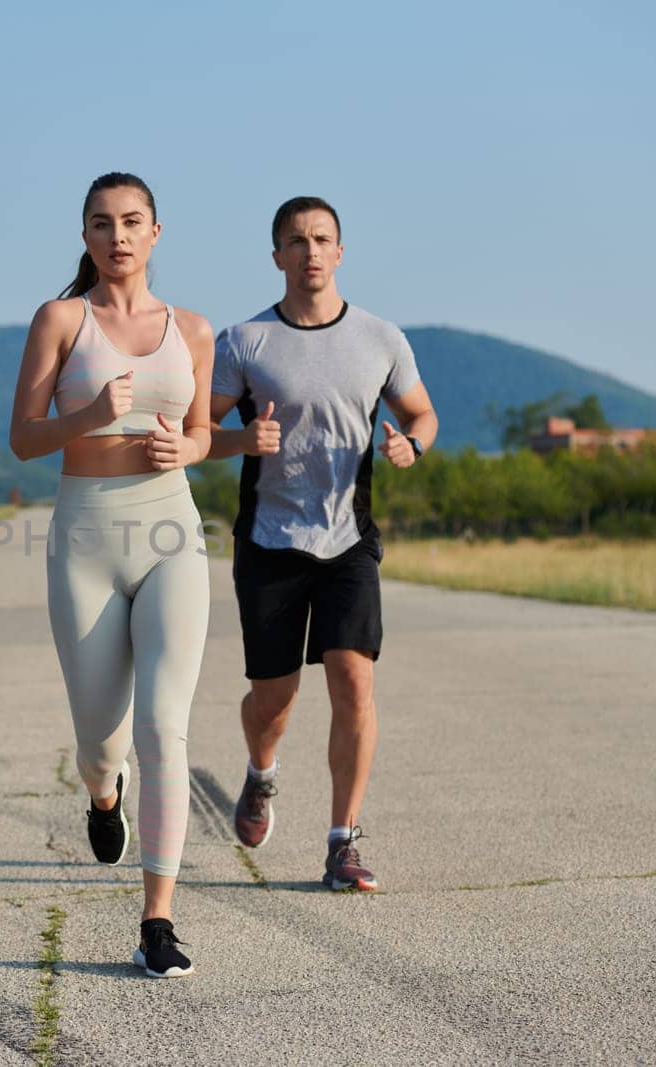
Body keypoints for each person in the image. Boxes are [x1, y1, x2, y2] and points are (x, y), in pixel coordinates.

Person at [10, 172, 214, 978]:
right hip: (87, 535)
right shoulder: (62, 319)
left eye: (132, 222)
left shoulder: (193, 329)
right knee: (102, 737)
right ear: (86, 235)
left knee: (165, 727)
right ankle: (104, 794)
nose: (118, 235)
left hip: (173, 532)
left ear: (156, 232)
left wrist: (188, 450)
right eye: (102, 223)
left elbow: (202, 432)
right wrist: (88, 418)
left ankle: (157, 919)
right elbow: (24, 438)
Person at [207, 196, 439, 891]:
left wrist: (412, 447)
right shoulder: (244, 342)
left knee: (354, 680)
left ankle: (343, 841)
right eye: (297, 241)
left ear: (340, 252)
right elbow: (196, 432)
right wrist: (242, 440)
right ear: (276, 255)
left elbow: (421, 413)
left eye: (323, 240)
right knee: (273, 702)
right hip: (271, 542)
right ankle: (260, 773)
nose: (311, 252)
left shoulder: (380, 338)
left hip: (348, 540)